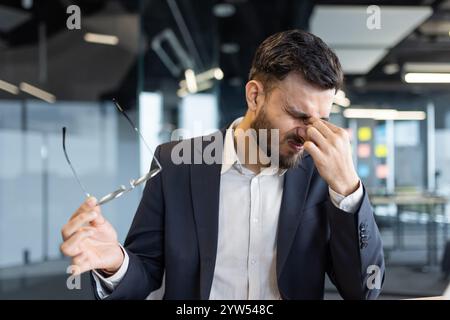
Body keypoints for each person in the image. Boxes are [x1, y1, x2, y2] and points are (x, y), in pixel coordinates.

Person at [60, 29, 385, 300]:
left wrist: (348, 190)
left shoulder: (322, 174)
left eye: (322, 120)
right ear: (255, 96)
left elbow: (363, 291)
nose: (309, 133)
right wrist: (116, 262)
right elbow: (145, 270)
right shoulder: (176, 164)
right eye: (298, 116)